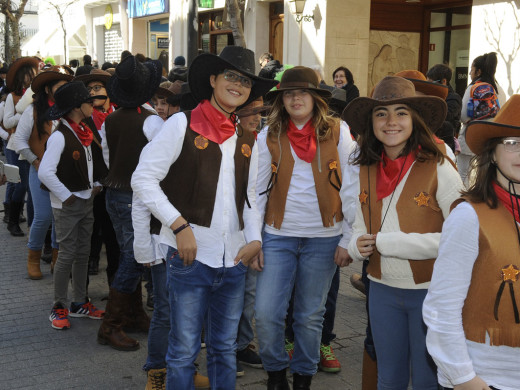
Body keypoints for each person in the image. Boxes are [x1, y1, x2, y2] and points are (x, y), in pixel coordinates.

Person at [131, 45, 276, 390]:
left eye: (244, 80)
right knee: (182, 352)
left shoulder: (248, 137)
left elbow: (252, 196)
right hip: (189, 258)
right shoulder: (181, 124)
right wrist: (178, 225)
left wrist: (255, 238)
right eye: (231, 76)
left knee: (225, 349)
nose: (237, 85)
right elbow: (142, 179)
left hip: (235, 260)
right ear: (213, 80)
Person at [343, 76, 464, 389]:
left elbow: (461, 237)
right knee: (389, 379)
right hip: (381, 290)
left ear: (415, 120)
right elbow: (360, 224)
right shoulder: (367, 166)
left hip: (429, 291)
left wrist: (388, 242)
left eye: (401, 113)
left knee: (427, 381)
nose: (391, 122)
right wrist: (357, 245)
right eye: (381, 114)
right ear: (371, 123)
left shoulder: (438, 165)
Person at [254, 66, 357, 389]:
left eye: (302, 92)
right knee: (267, 313)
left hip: (324, 238)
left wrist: (349, 239)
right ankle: (274, 374)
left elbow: (353, 186)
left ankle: (302, 378)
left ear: (315, 98)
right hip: (278, 236)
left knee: (309, 316)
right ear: (281, 100)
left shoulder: (339, 132)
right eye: (288, 93)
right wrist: (254, 239)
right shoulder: (268, 134)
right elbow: (255, 192)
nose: (295, 98)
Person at [423, 95, 520, 390]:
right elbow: (442, 309)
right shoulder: (469, 217)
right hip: (489, 377)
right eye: (512, 143)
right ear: (492, 153)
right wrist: (466, 380)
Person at [132, 85, 210, 389]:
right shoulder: (160, 143)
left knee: (190, 313)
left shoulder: (203, 145)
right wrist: (144, 250)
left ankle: (186, 369)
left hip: (196, 244)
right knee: (166, 309)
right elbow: (140, 199)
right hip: (163, 242)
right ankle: (157, 372)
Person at [96, 55, 162, 351]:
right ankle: (111, 326)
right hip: (136, 198)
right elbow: (162, 166)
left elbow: (109, 157)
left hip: (116, 194)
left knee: (131, 256)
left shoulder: (110, 118)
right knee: (134, 258)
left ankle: (134, 314)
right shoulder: (151, 122)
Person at [38, 81, 107, 329]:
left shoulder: (81, 129)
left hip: (85, 200)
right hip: (69, 203)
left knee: (82, 253)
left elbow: (91, 164)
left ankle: (79, 302)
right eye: (89, 101)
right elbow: (45, 172)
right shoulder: (60, 136)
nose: (93, 104)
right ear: (77, 107)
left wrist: (95, 183)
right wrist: (66, 195)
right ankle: (59, 306)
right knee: (67, 254)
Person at [13, 65, 73, 279]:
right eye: (59, 87)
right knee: (43, 216)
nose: (63, 90)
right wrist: (35, 161)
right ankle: (33, 257)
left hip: (64, 173)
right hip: (38, 170)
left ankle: (57, 259)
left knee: (60, 217)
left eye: (66, 86)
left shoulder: (70, 109)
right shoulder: (33, 110)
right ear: (48, 89)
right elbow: (19, 141)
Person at [234, 97, 271, 376]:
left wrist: (256, 236)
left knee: (247, 291)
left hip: (250, 225)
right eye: (251, 113)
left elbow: (255, 193)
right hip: (224, 229)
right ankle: (223, 349)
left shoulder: (257, 140)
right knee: (228, 294)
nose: (257, 118)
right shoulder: (229, 138)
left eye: (259, 113)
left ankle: (241, 345)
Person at [74, 69, 120, 281]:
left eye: (97, 88)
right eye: (90, 89)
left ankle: (115, 289)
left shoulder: (119, 114)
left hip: (116, 185)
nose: (93, 93)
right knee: (91, 231)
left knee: (112, 238)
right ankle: (84, 279)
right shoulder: (83, 118)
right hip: (92, 185)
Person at [3, 56, 39, 237]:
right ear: (21, 76)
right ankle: (13, 221)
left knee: (32, 188)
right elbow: (7, 122)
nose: (32, 77)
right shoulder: (12, 96)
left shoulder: (39, 95)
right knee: (20, 185)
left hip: (33, 147)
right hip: (15, 147)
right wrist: (24, 113)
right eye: (29, 75)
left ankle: (31, 224)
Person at [458, 52, 505, 186]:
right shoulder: (499, 90)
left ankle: (464, 204)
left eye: (471, 70)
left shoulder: (473, 87)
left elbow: (463, 116)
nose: (470, 73)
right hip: (490, 139)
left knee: (463, 175)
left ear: (478, 71)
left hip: (470, 137)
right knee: (484, 176)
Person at [426, 64, 462, 151]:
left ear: (443, 81)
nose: (428, 86)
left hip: (445, 142)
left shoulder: (453, 98)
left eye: (431, 83)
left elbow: (446, 116)